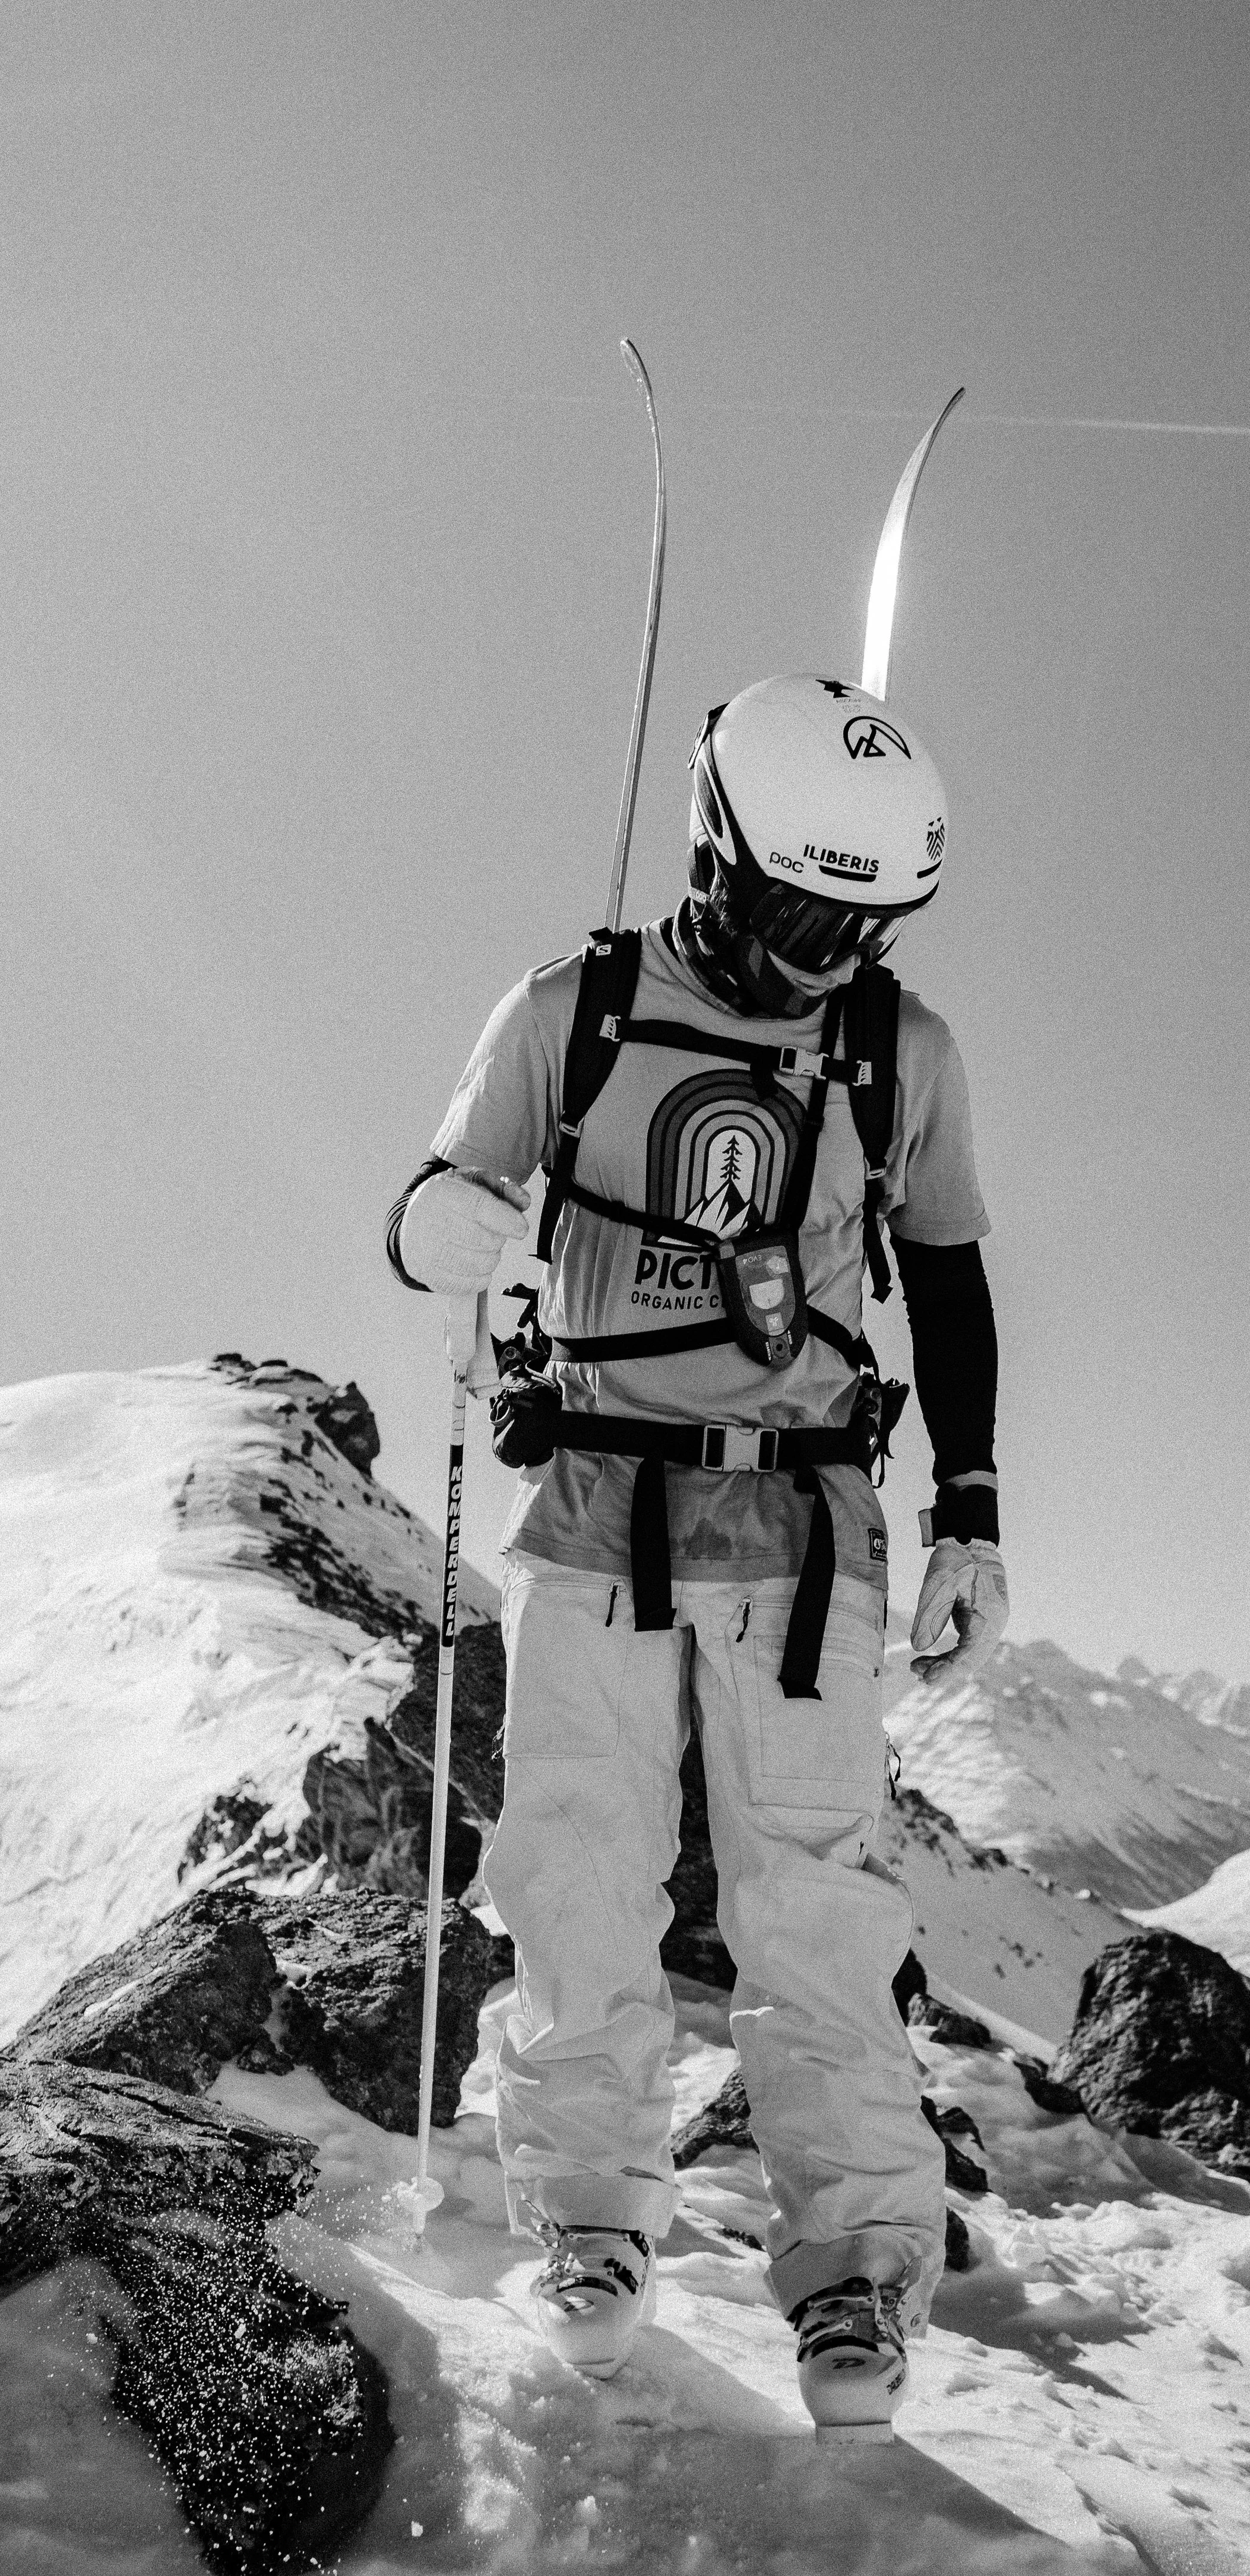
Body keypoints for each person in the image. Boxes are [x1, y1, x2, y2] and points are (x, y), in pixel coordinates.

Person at [385, 674, 1008, 2438]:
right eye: (805, 912)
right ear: (718, 853)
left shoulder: (904, 1055)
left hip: (808, 1526)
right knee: (576, 1881)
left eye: (865, 925)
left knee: (814, 1907)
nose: (829, 957)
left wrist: (970, 1506)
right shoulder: (569, 1014)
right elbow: (441, 1193)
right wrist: (455, 1227)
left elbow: (946, 1278)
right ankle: (590, 2218)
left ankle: (856, 2268)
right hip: (593, 1509)